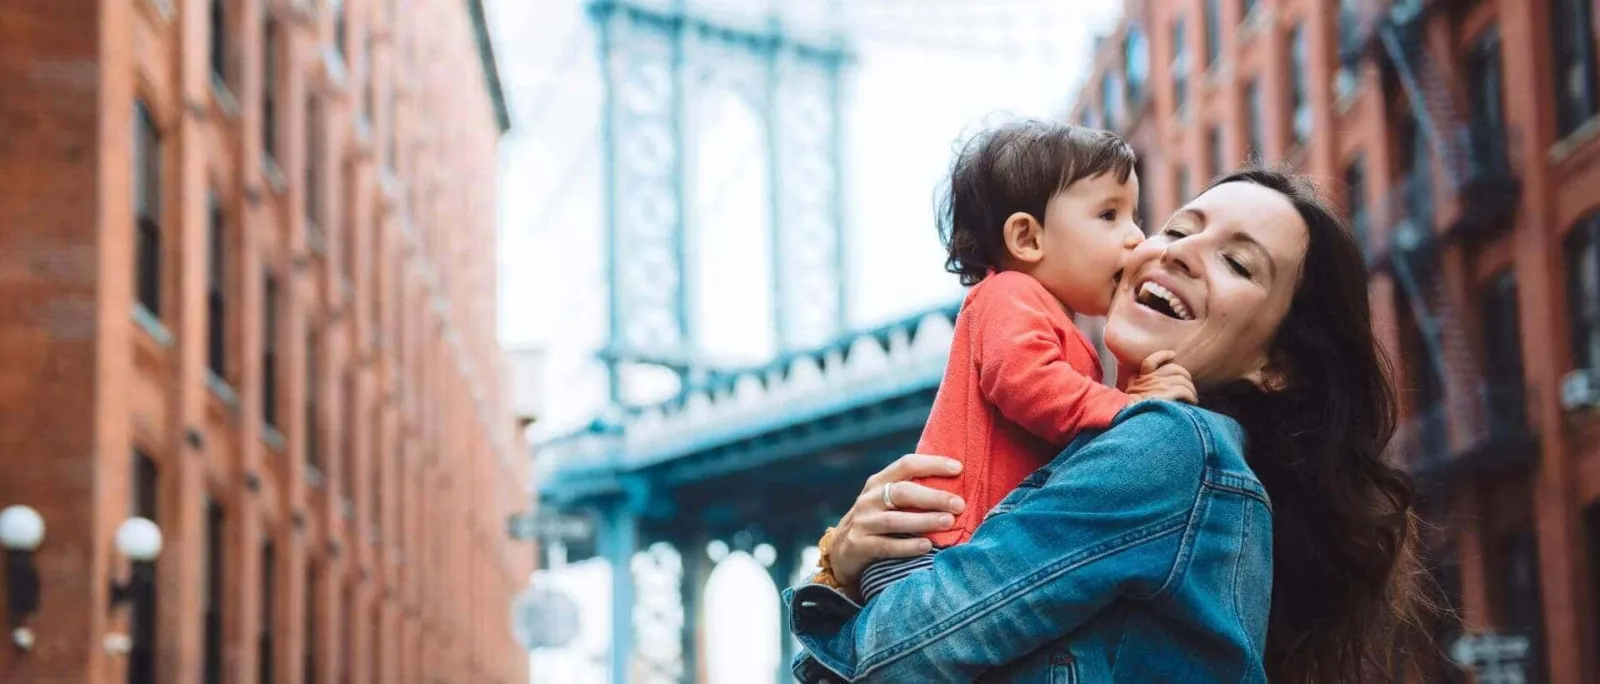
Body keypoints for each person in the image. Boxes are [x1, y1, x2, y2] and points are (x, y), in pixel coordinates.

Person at [789, 169, 1444, 682]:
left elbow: (898, 658)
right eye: (1181, 228)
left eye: (1238, 263)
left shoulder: (1174, 448)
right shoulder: (1139, 465)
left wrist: (839, 580)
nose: (1183, 254)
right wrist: (841, 564)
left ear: (1277, 365)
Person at [849, 121, 1197, 604]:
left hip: (957, 551)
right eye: (1109, 215)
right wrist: (1128, 406)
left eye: (1134, 215)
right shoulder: (1008, 294)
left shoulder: (1053, 317)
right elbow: (1026, 382)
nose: (1136, 237)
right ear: (1027, 238)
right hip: (931, 554)